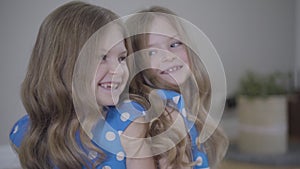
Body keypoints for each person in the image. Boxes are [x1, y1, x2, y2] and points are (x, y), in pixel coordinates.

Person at [9, 1, 155, 169]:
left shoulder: (129, 122)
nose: (118, 71)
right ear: (62, 64)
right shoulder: (28, 131)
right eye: (102, 58)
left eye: (122, 58)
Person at [125, 6, 229, 169]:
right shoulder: (161, 116)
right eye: (152, 52)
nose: (168, 56)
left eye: (174, 44)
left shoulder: (184, 108)